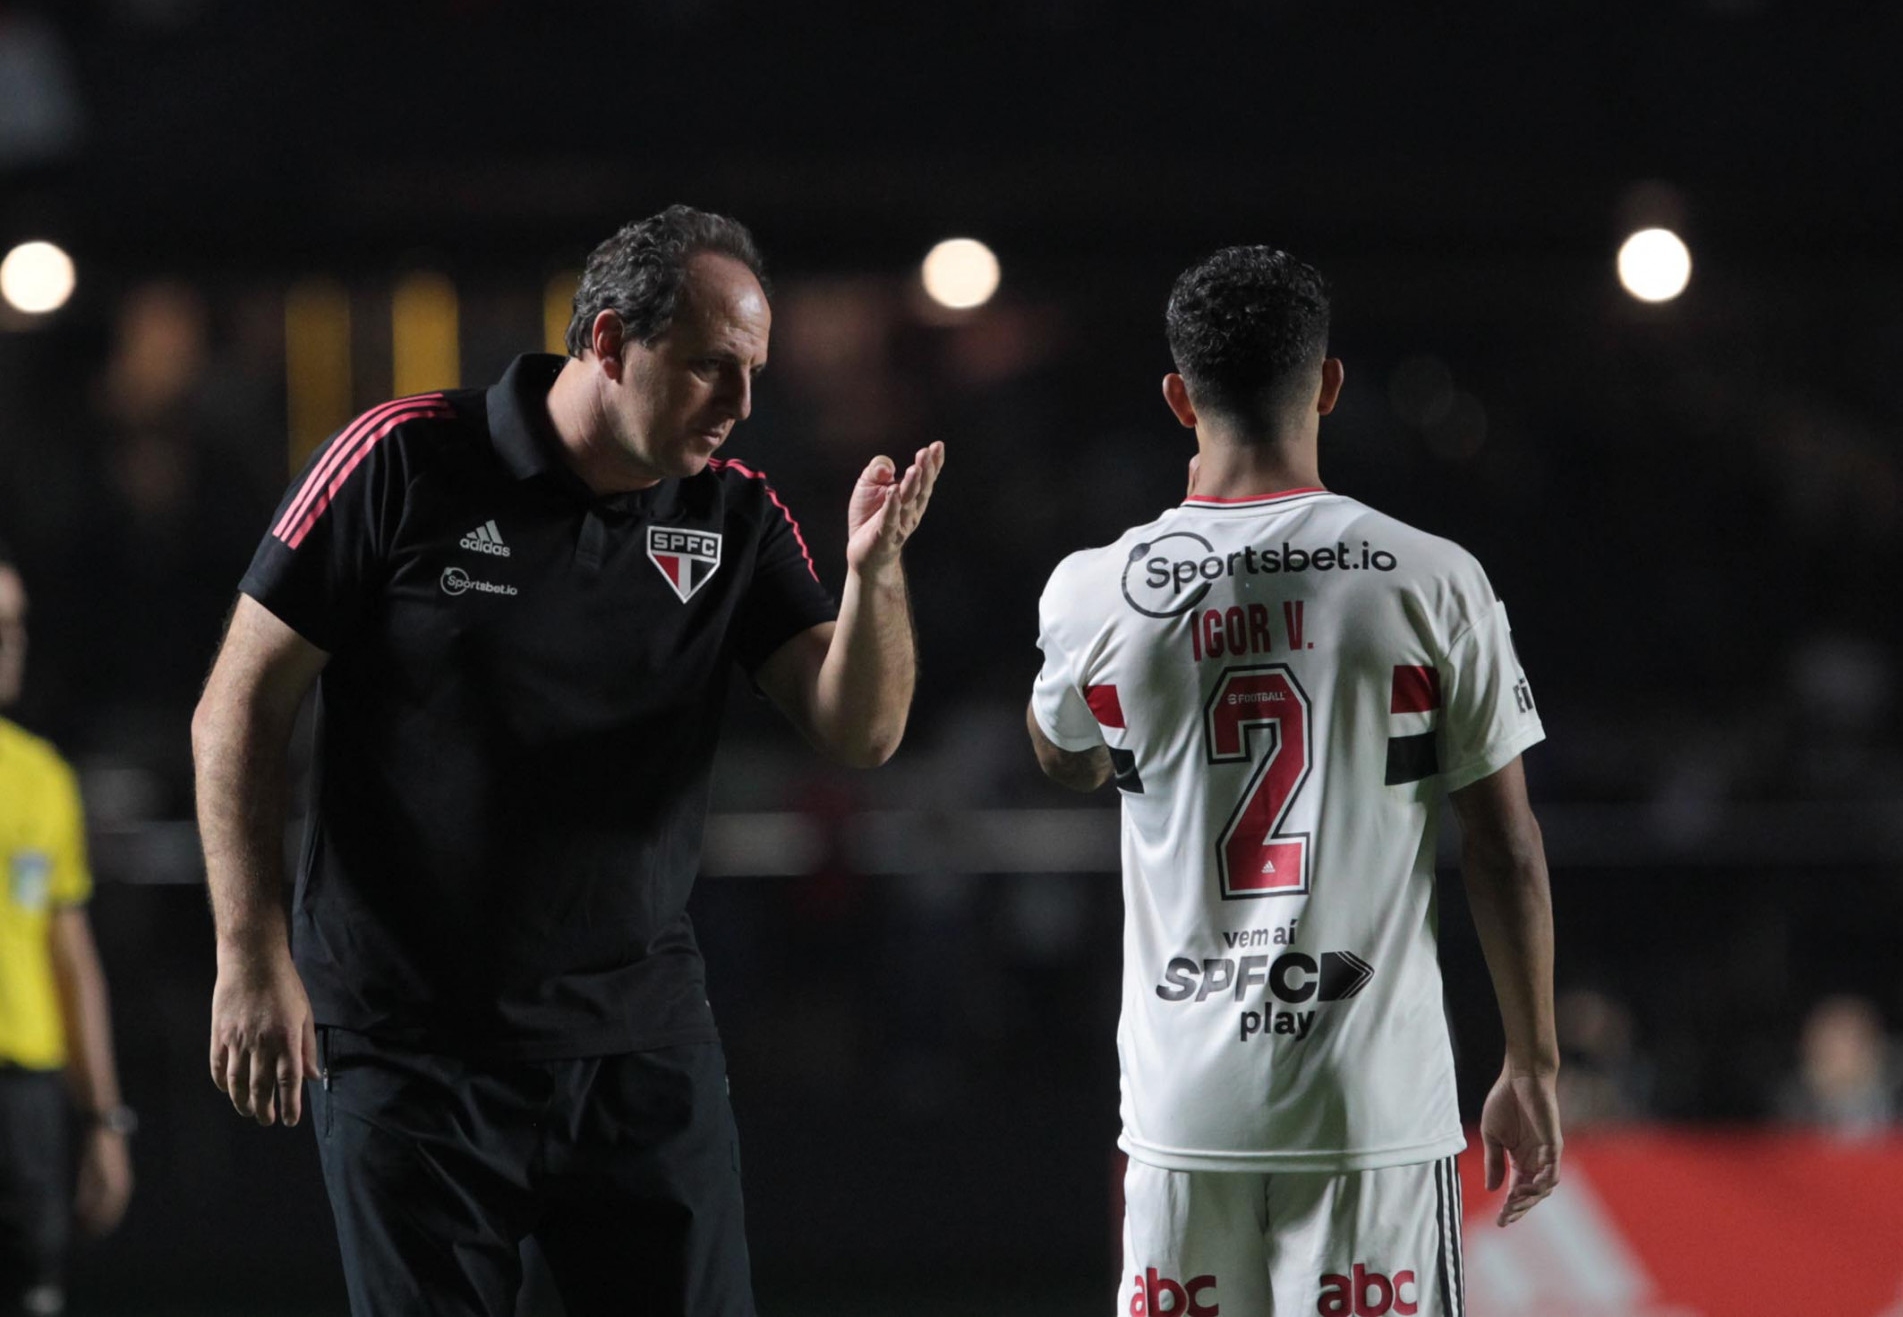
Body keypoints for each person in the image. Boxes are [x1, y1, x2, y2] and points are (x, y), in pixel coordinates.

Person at [192, 205, 944, 1317]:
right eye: (707, 369)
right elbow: (237, 708)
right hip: (411, 1047)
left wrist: (875, 576)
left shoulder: (731, 511)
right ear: (604, 342)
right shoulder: (401, 457)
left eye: (752, 371)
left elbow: (860, 729)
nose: (740, 404)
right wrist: (250, 950)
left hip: (640, 1039)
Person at [1026, 247, 1559, 1316]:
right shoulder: (1429, 574)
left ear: (1179, 398)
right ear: (1327, 384)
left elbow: (1064, 752)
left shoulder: (1094, 589)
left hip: (1183, 1111)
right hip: (1367, 1108)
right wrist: (1532, 1062)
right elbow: (1502, 843)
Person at [0, 539, 135, 1316]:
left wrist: (103, 1119)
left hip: (24, 1097)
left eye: (15, 625)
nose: (10, 644)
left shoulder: (42, 780)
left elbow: (71, 958)